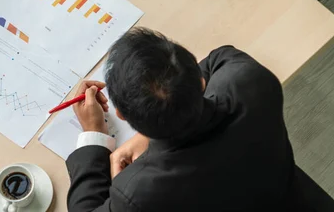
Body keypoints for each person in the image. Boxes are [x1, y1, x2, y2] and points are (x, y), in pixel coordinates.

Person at [67, 28, 301, 211]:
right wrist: (152, 130)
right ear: (200, 83)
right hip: (276, 193)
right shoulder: (248, 78)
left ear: (121, 116)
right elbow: (216, 60)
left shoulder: (138, 193)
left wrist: (94, 133)